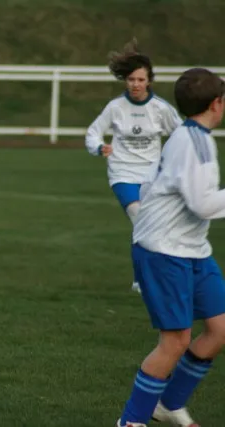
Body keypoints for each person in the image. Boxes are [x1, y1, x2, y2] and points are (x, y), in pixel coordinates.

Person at [117, 68, 225, 427]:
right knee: (175, 340)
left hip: (192, 248)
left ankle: (168, 404)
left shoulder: (190, 135)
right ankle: (131, 420)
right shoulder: (194, 143)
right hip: (164, 250)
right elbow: (203, 204)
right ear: (216, 103)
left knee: (220, 328)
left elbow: (153, 185)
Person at [85, 38, 182, 293]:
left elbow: (182, 134)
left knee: (156, 226)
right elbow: (93, 132)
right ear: (125, 81)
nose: (135, 84)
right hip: (122, 173)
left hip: (152, 175)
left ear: (149, 81)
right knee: (140, 219)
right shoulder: (115, 107)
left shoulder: (161, 109)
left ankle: (151, 276)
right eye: (131, 79)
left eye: (140, 79)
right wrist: (99, 147)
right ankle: (143, 280)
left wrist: (176, 159)